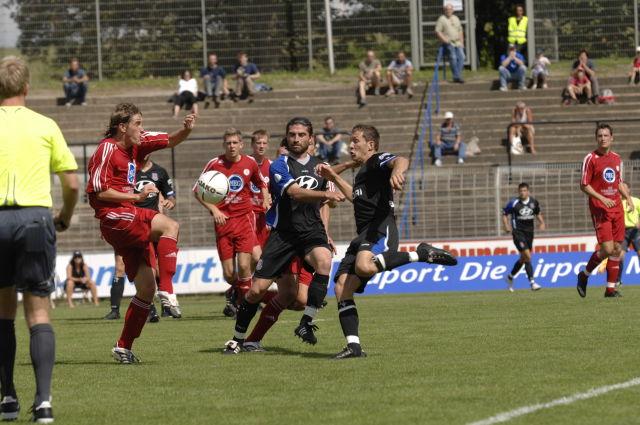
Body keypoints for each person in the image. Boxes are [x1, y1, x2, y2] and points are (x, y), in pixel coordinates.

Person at [316, 124, 457, 359]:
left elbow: (400, 159)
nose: (350, 146)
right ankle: (354, 346)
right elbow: (356, 198)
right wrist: (333, 178)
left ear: (370, 145)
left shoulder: (376, 160)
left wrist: (396, 172)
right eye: (350, 141)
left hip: (380, 229)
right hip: (363, 235)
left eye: (355, 141)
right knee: (341, 287)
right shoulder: (362, 173)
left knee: (364, 265)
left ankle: (419, 254)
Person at [222, 117, 345, 354]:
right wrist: (326, 193)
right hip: (283, 236)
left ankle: (306, 324)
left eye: (301, 135)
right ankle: (240, 339)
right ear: (287, 137)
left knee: (324, 261)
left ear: (311, 138)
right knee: (259, 290)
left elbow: (325, 205)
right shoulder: (279, 165)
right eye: (292, 135)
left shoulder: (322, 166)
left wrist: (326, 231)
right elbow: (296, 194)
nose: (296, 139)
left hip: (311, 233)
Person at [0, 55, 79, 423]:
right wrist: (62, 216)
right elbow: (72, 182)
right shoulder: (45, 125)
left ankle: (7, 398)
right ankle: (44, 402)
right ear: (27, 88)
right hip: (35, 219)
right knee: (38, 313)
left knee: (3, 312)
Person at [86, 103, 196, 364]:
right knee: (171, 226)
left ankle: (123, 346)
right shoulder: (106, 149)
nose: (142, 128)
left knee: (146, 288)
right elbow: (99, 191)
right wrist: (135, 195)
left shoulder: (138, 142)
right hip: (114, 217)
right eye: (137, 124)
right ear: (122, 127)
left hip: (127, 219)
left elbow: (170, 140)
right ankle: (169, 293)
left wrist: (186, 130)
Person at [193, 128, 269, 318]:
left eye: (235, 143)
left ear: (241, 145)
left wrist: (266, 198)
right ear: (224, 145)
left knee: (245, 266)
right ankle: (236, 292)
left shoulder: (249, 163)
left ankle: (244, 308)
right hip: (223, 222)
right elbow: (197, 190)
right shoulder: (214, 164)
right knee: (229, 274)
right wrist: (214, 209)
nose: (232, 146)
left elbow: (261, 183)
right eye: (228, 143)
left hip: (244, 218)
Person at [103, 155, 180, 321]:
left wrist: (170, 202)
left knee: (156, 268)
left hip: (154, 224)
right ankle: (122, 309)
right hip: (131, 224)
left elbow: (170, 196)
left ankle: (165, 304)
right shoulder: (128, 171)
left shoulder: (160, 172)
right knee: (129, 267)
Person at [577, 123, 633, 298]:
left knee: (617, 248)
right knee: (607, 249)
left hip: (617, 208)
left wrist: (628, 198)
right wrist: (602, 198)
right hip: (600, 209)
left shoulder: (617, 159)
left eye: (606, 135)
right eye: (600, 136)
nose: (603, 138)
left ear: (611, 138)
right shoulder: (591, 158)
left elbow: (618, 182)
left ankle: (610, 289)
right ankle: (584, 275)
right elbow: (584, 185)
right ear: (596, 138)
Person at [502, 183, 545, 292]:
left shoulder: (533, 202)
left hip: (529, 234)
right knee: (528, 256)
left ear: (528, 191)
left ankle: (510, 277)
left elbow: (538, 212)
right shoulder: (514, 203)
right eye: (521, 191)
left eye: (525, 190)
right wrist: (506, 225)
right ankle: (532, 283)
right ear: (518, 192)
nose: (522, 192)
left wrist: (542, 222)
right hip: (518, 233)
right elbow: (505, 213)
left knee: (523, 258)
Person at [435, 3, 465, 83]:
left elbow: (460, 30)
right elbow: (438, 31)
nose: (448, 11)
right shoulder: (441, 19)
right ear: (444, 10)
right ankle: (457, 76)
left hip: (458, 42)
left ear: (452, 10)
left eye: (450, 9)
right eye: (447, 9)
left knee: (462, 57)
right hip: (448, 43)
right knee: (453, 57)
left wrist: (462, 42)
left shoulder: (456, 18)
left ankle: (456, 76)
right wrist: (445, 40)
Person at [617, 184, 640, 286]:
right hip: (623, 232)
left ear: (629, 189)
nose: (624, 189)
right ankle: (618, 280)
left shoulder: (636, 201)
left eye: (626, 187)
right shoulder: (618, 202)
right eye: (622, 187)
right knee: (620, 256)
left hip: (635, 231)